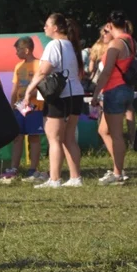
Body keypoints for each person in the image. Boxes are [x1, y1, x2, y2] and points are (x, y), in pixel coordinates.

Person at [24, 14, 85, 189]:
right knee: (69, 138)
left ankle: (55, 179)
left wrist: (29, 90)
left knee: (54, 139)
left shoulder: (53, 45)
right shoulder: (71, 45)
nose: (45, 28)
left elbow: (44, 70)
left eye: (47, 25)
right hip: (76, 94)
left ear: (55, 28)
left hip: (59, 96)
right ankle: (75, 177)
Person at [91, 11, 137, 185]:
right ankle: (118, 167)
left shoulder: (115, 44)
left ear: (110, 26)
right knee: (103, 130)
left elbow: (106, 71)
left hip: (114, 89)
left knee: (116, 135)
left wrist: (96, 93)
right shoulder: (130, 41)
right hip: (126, 88)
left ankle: (118, 173)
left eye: (105, 30)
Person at [0, 36, 43, 183]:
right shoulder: (18, 66)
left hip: (35, 107)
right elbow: (15, 88)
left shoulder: (39, 64)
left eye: (18, 50)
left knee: (34, 137)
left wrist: (31, 96)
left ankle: (33, 168)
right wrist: (12, 106)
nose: (16, 53)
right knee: (17, 137)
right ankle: (14, 167)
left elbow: (43, 86)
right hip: (20, 107)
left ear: (26, 50)